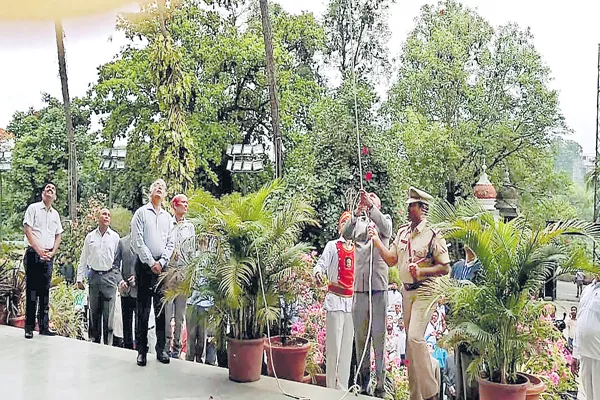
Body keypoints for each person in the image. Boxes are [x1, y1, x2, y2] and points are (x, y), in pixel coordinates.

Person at [373, 187, 451, 400]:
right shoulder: (402, 232)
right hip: (407, 292)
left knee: (416, 338)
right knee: (410, 344)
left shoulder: (433, 234)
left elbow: (445, 267)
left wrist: (423, 271)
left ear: (422, 208)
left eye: (411, 205)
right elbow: (391, 259)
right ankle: (415, 394)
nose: (407, 209)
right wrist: (376, 241)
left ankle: (431, 392)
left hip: (426, 291)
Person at [344, 190, 393, 398]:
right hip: (360, 289)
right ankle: (363, 385)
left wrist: (371, 209)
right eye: (367, 199)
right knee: (361, 340)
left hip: (378, 288)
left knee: (379, 339)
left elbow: (386, 227)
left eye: (373, 200)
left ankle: (380, 386)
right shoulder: (359, 224)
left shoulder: (384, 221)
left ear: (378, 206)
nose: (369, 201)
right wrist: (357, 212)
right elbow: (345, 234)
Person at [131, 179, 175, 366]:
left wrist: (162, 261)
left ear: (165, 194)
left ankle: (161, 350)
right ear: (150, 192)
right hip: (144, 267)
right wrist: (150, 262)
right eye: (156, 186)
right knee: (142, 310)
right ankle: (141, 351)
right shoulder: (141, 213)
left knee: (161, 310)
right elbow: (138, 240)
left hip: (162, 268)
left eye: (162, 188)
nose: (159, 189)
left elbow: (171, 243)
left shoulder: (167, 218)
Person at [313, 211, 355, 391]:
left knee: (346, 350)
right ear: (339, 227)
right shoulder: (332, 246)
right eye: (344, 223)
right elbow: (321, 264)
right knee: (334, 348)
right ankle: (330, 388)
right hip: (335, 301)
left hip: (351, 304)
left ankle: (343, 389)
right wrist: (317, 273)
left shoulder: (358, 249)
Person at [23, 182, 63, 339]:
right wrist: (39, 251)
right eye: (48, 188)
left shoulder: (56, 215)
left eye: (53, 189)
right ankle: (29, 327)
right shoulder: (33, 209)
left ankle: (44, 327)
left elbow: (58, 234)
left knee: (44, 292)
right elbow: (28, 230)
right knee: (32, 291)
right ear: (42, 193)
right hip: (34, 254)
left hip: (48, 257)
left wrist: (52, 252)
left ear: (55, 196)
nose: (50, 190)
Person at [76, 208, 121, 345]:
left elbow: (119, 261)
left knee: (109, 321)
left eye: (108, 215)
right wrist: (79, 278)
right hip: (94, 277)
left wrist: (120, 280)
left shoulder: (115, 237)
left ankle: (108, 347)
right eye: (104, 214)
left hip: (109, 278)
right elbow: (83, 259)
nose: (106, 216)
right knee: (94, 316)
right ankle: (94, 345)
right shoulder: (90, 237)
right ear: (98, 218)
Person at [165, 194, 195, 359]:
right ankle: (165, 345)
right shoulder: (167, 223)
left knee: (180, 314)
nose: (186, 205)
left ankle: (176, 348)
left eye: (186, 203)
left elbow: (192, 251)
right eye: (183, 203)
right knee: (167, 311)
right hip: (170, 271)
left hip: (183, 271)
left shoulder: (189, 227)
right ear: (174, 205)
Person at [572, 276, 600, 400]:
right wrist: (575, 354)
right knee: (589, 395)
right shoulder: (588, 289)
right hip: (584, 354)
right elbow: (580, 319)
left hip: (598, 355)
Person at [113, 234, 138, 350]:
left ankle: (141, 351)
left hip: (140, 290)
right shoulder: (122, 242)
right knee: (126, 325)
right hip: (126, 290)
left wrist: (138, 278)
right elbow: (115, 266)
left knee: (140, 324)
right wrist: (120, 281)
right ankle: (128, 351)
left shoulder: (146, 242)